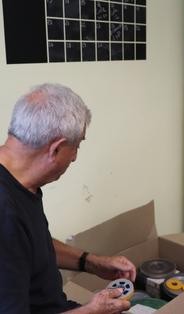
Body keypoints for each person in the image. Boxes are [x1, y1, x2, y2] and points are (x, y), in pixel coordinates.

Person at [0, 83, 137, 314]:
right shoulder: (5, 213)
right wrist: (92, 311)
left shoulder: (19, 181)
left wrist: (91, 262)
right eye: (77, 146)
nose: (74, 158)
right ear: (56, 149)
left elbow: (29, 247)